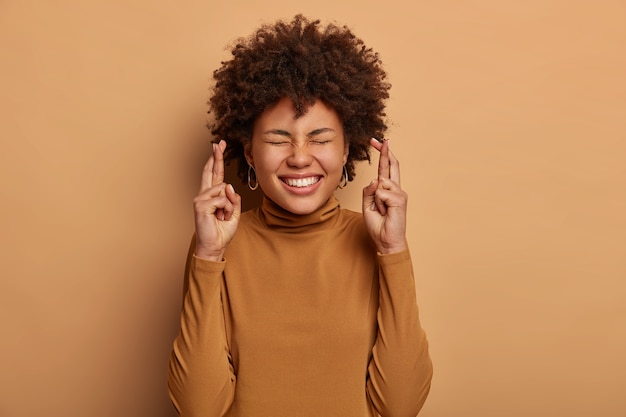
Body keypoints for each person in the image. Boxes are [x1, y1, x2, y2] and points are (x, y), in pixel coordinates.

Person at [168, 14, 433, 417]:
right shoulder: (219, 244)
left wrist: (393, 250)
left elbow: (399, 407)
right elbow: (199, 409)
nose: (299, 157)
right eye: (278, 139)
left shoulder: (375, 241)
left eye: (320, 139)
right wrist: (207, 255)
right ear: (251, 152)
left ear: (347, 150)